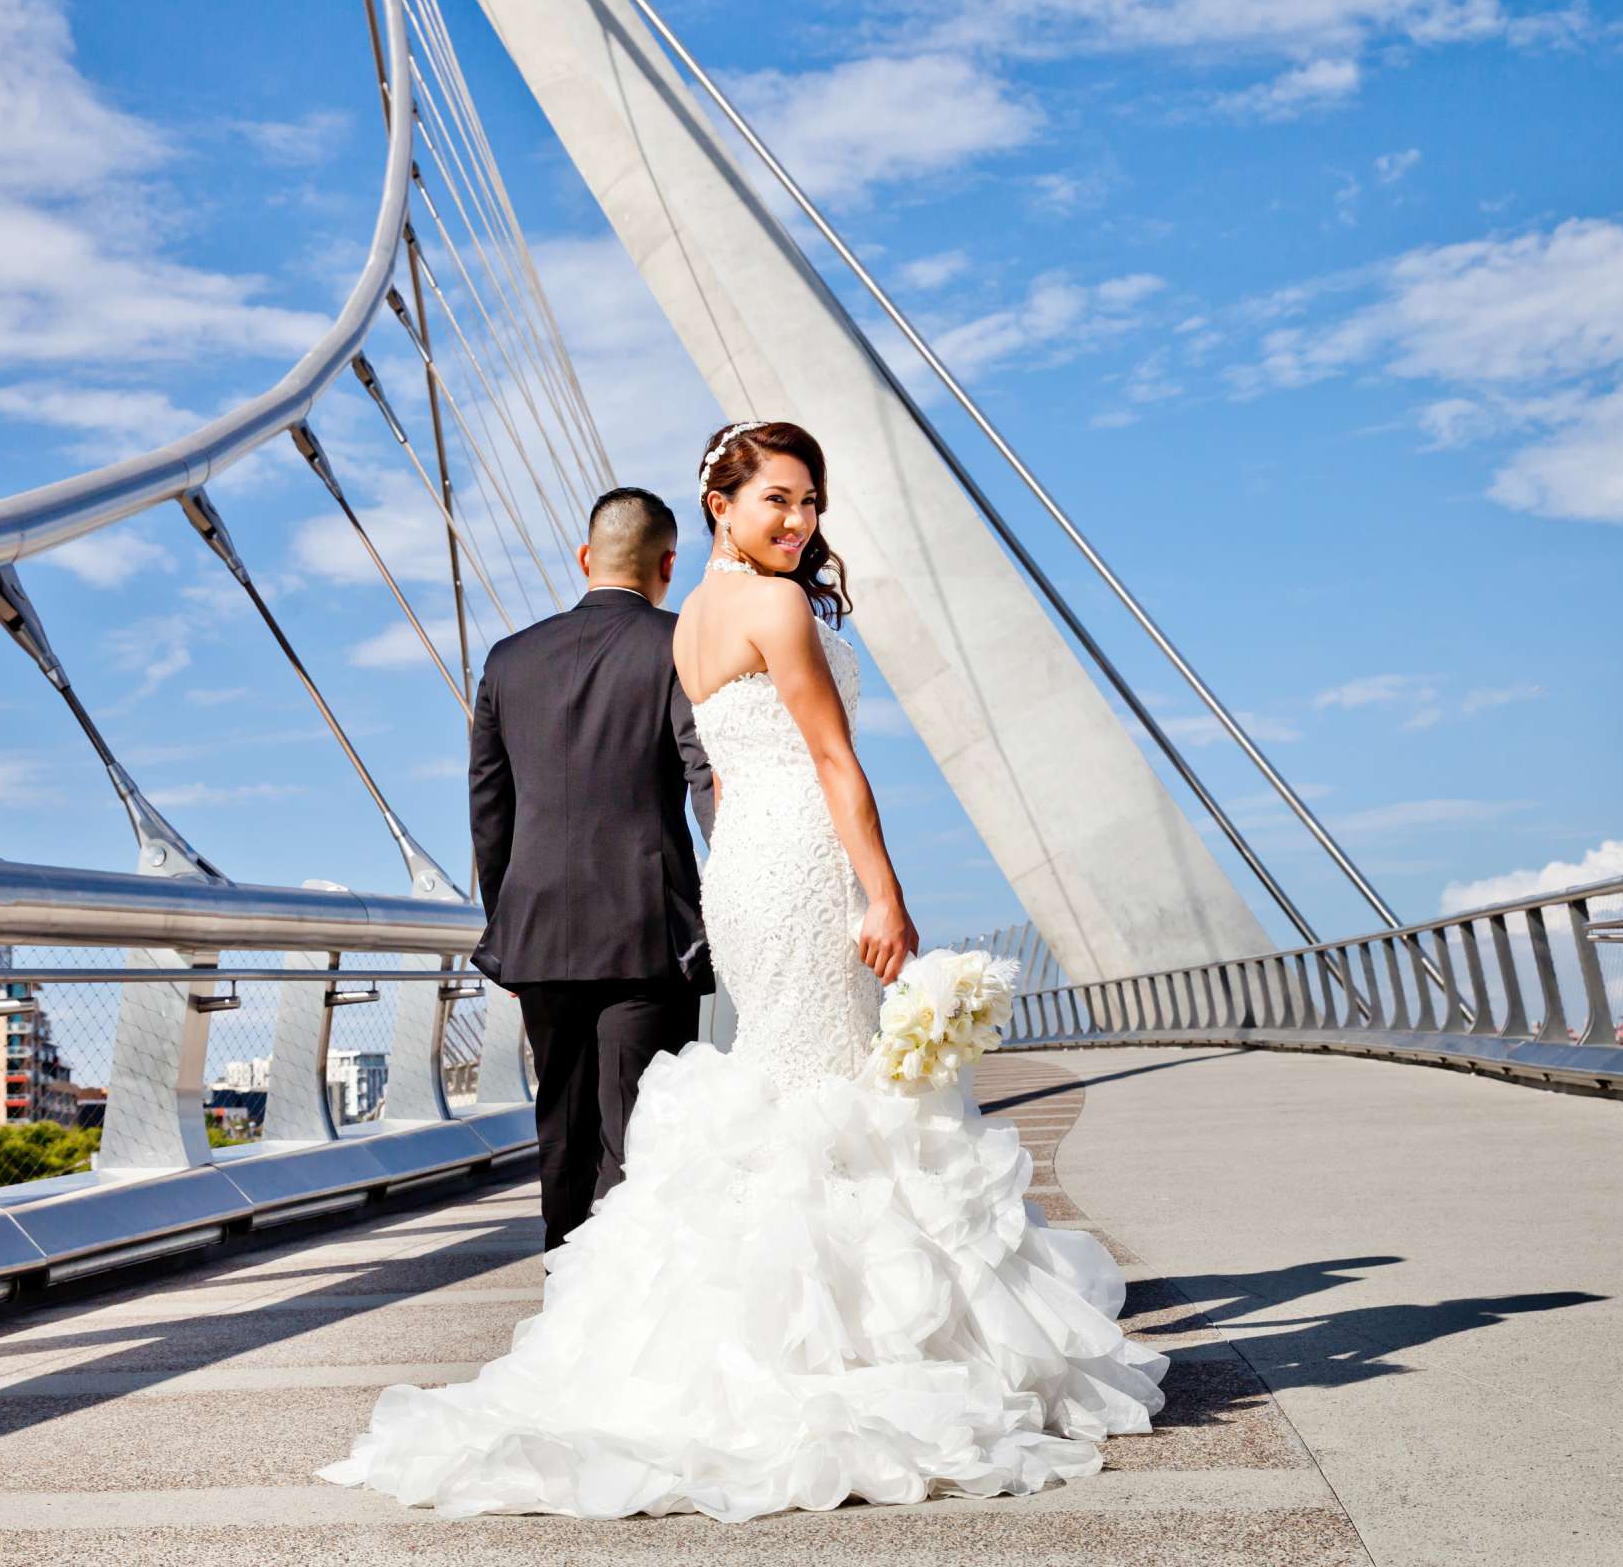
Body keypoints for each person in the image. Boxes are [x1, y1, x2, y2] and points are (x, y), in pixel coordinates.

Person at [322, 421, 1165, 1522]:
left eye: (812, 504)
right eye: (779, 499)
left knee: (708, 1100)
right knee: (804, 1093)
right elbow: (819, 758)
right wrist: (886, 894)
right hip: (770, 872)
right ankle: (846, 1341)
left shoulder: (661, 630)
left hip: (675, 893)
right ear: (711, 510)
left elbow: (508, 801)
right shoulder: (762, 608)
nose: (801, 523)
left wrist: (509, 910)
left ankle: (653, 1317)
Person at [462, 486, 713, 1251]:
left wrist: (509, 907)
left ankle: (563, 1287)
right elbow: (706, 779)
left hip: (537, 929)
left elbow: (489, 806)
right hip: (645, 929)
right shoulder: (678, 645)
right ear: (669, 564)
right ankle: (620, 1300)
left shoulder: (509, 659)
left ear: (584, 558)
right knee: (638, 1126)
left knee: (561, 1124)